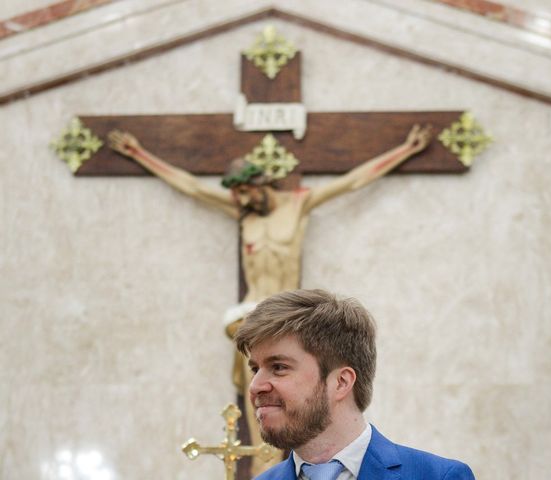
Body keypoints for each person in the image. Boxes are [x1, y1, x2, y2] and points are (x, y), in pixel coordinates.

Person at [108, 125, 432, 475]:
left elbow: (353, 181)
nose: (243, 201)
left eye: (248, 192)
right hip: (248, 315)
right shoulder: (243, 212)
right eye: (239, 195)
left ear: (262, 184)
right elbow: (191, 186)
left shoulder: (298, 204)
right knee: (265, 399)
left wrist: (405, 150)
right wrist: (137, 153)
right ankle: (264, 460)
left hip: (287, 316)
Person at [234, 289, 476, 480]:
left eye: (278, 367)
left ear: (341, 382)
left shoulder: (438, 477)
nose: (255, 386)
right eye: (255, 369)